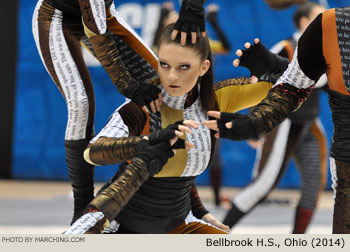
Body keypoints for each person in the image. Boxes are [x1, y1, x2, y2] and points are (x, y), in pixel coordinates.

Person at [64, 23, 273, 234]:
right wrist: (143, 144)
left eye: (183, 67)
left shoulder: (217, 100)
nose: (172, 76)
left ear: (204, 67)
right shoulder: (142, 107)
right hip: (119, 228)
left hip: (178, 228)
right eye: (164, 65)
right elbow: (92, 152)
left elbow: (292, 87)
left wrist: (275, 64)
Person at [32, 0, 206, 224]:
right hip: (58, 18)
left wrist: (193, 6)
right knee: (80, 104)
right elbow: (94, 27)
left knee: (166, 90)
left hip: (103, 14)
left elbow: (98, 20)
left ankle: (183, 202)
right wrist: (127, 85)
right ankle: (82, 210)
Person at [203, 5, 350, 234]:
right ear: (305, 22)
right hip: (286, 122)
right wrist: (256, 122)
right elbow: (264, 85)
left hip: (309, 124)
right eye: (318, 15)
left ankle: (296, 239)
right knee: (263, 184)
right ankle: (220, 232)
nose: (328, 18)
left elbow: (322, 81)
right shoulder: (286, 47)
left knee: (313, 185)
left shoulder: (335, 43)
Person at [151, 1, 231, 206]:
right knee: (172, 152)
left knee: (211, 152)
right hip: (168, 107)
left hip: (200, 104)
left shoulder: (195, 44)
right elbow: (152, 50)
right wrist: (161, 18)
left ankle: (214, 197)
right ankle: (167, 197)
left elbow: (224, 47)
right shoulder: (162, 48)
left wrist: (213, 22)